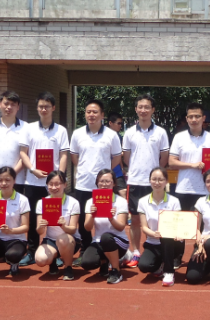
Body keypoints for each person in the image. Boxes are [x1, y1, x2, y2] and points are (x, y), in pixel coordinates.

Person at [18, 92, 69, 266]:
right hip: (33, 181)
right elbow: (23, 153)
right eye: (41, 106)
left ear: (53, 108)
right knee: (34, 218)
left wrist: (59, 178)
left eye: (47, 106)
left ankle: (59, 252)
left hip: (53, 185)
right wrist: (32, 169)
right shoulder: (29, 129)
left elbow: (63, 155)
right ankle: (32, 251)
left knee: (57, 216)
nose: (43, 109)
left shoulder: (61, 130)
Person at [121, 94, 169, 268]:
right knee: (135, 220)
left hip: (154, 184)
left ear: (153, 110)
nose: (143, 110)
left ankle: (159, 252)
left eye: (147, 107)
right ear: (136, 109)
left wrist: (156, 175)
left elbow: (164, 157)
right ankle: (135, 251)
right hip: (135, 182)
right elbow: (126, 157)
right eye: (140, 107)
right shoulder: (129, 133)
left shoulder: (161, 132)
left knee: (157, 218)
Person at [168, 102, 210, 267]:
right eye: (191, 116)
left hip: (205, 189)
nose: (194, 119)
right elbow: (171, 162)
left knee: (202, 225)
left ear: (203, 118)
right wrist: (192, 165)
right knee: (181, 224)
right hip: (183, 188)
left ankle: (199, 254)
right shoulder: (179, 137)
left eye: (197, 116)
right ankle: (177, 256)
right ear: (187, 118)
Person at [69, 100, 122, 253]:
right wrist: (85, 170)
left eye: (95, 112)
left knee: (106, 216)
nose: (91, 115)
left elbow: (117, 157)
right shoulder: (77, 133)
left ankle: (106, 248)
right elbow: (74, 157)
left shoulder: (111, 135)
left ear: (102, 115)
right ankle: (85, 248)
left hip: (104, 186)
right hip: (83, 184)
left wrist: (105, 175)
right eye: (88, 112)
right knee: (83, 218)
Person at [81, 169, 130, 284]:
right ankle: (104, 262)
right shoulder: (90, 202)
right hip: (98, 241)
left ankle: (116, 270)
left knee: (106, 237)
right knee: (87, 263)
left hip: (118, 241)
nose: (104, 184)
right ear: (97, 183)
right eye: (101, 181)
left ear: (114, 183)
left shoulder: (121, 201)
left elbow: (121, 227)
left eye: (108, 181)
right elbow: (87, 228)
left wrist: (111, 218)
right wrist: (92, 215)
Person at [137, 168, 181, 287]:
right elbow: (144, 227)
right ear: (150, 181)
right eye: (154, 179)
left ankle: (169, 272)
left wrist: (176, 234)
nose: (157, 182)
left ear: (166, 181)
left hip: (171, 242)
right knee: (144, 266)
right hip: (153, 242)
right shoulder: (142, 201)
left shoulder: (174, 201)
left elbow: (178, 224)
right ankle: (161, 264)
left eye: (161, 179)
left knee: (167, 237)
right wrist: (153, 234)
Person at [34, 170, 81, 281]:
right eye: (50, 184)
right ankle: (53, 261)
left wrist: (64, 226)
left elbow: (73, 229)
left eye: (57, 184)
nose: (54, 187)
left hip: (69, 239)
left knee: (62, 239)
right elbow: (39, 231)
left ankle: (68, 267)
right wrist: (41, 226)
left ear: (65, 185)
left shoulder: (73, 202)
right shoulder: (41, 203)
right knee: (40, 260)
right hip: (51, 240)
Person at [105, 112, 126, 181]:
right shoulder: (103, 136)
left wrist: (122, 168)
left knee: (122, 187)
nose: (120, 126)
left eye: (121, 123)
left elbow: (118, 156)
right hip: (104, 172)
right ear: (110, 123)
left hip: (117, 172)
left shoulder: (119, 136)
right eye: (118, 123)